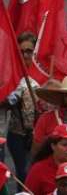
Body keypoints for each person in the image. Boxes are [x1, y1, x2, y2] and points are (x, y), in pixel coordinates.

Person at [2, 33, 38, 182]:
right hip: (17, 135)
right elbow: (5, 102)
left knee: (36, 174)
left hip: (40, 135)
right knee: (24, 175)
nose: (25, 55)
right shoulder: (11, 75)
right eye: (21, 52)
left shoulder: (45, 74)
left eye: (29, 51)